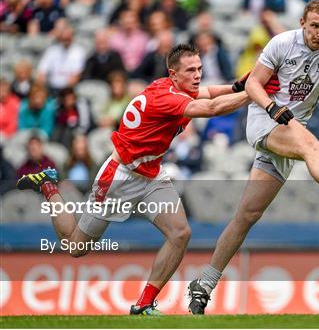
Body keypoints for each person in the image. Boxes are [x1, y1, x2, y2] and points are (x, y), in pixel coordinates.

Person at [16, 44, 275, 316]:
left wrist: (237, 86)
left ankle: (143, 304)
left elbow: (209, 92)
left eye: (199, 68)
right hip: (119, 177)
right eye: (191, 70)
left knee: (180, 233)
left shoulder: (176, 88)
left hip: (150, 172)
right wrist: (253, 94)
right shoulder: (168, 98)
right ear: (173, 75)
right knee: (75, 246)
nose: (198, 75)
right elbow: (210, 108)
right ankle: (48, 187)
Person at [187, 0, 319, 315]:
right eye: (315, 26)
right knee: (312, 147)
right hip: (265, 122)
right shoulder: (282, 43)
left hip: (289, 132)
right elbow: (253, 84)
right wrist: (272, 107)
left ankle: (204, 283)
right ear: (302, 22)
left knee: (246, 216)